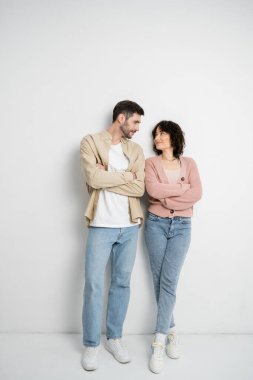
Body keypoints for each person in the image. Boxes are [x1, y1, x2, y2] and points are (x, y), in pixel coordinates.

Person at [80, 100, 145, 371]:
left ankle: (114, 338)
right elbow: (94, 180)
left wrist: (111, 175)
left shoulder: (136, 149)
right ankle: (92, 344)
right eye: (135, 122)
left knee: (121, 283)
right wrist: (125, 176)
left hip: (129, 226)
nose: (138, 129)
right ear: (121, 118)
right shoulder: (91, 142)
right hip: (101, 224)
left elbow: (139, 187)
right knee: (94, 284)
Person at [144, 120, 202, 374]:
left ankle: (159, 339)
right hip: (155, 224)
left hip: (182, 227)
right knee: (160, 280)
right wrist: (181, 189)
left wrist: (167, 196)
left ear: (173, 136)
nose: (157, 138)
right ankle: (171, 330)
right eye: (155, 135)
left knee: (169, 280)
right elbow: (151, 191)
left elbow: (197, 193)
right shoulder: (150, 163)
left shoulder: (189, 163)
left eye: (162, 133)